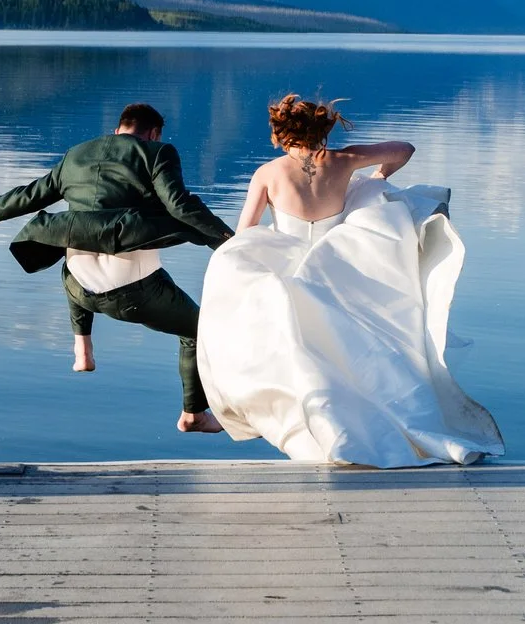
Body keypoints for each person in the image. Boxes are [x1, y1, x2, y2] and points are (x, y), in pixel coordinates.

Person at [197, 94, 504, 467]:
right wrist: (377, 176)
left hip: (289, 271)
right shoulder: (343, 161)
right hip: (336, 268)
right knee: (347, 358)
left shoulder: (269, 173)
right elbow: (404, 149)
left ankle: (320, 428)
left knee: (297, 353)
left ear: (279, 133)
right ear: (323, 128)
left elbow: (245, 231)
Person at [0, 102, 234, 434]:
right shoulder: (157, 151)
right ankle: (194, 415)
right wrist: (228, 241)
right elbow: (179, 204)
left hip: (80, 285)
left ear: (119, 127)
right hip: (132, 290)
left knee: (72, 239)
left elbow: (30, 195)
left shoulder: (76, 154)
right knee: (198, 332)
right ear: (153, 133)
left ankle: (82, 347)